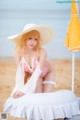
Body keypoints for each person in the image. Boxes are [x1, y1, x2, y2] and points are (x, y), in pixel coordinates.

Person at [9, 23, 56, 99]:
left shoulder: (42, 52)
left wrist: (23, 91)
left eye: (35, 39)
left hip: (47, 73)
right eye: (30, 38)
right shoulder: (18, 52)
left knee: (46, 97)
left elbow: (37, 72)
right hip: (35, 75)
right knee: (36, 96)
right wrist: (19, 89)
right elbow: (20, 73)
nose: (33, 42)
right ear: (25, 39)